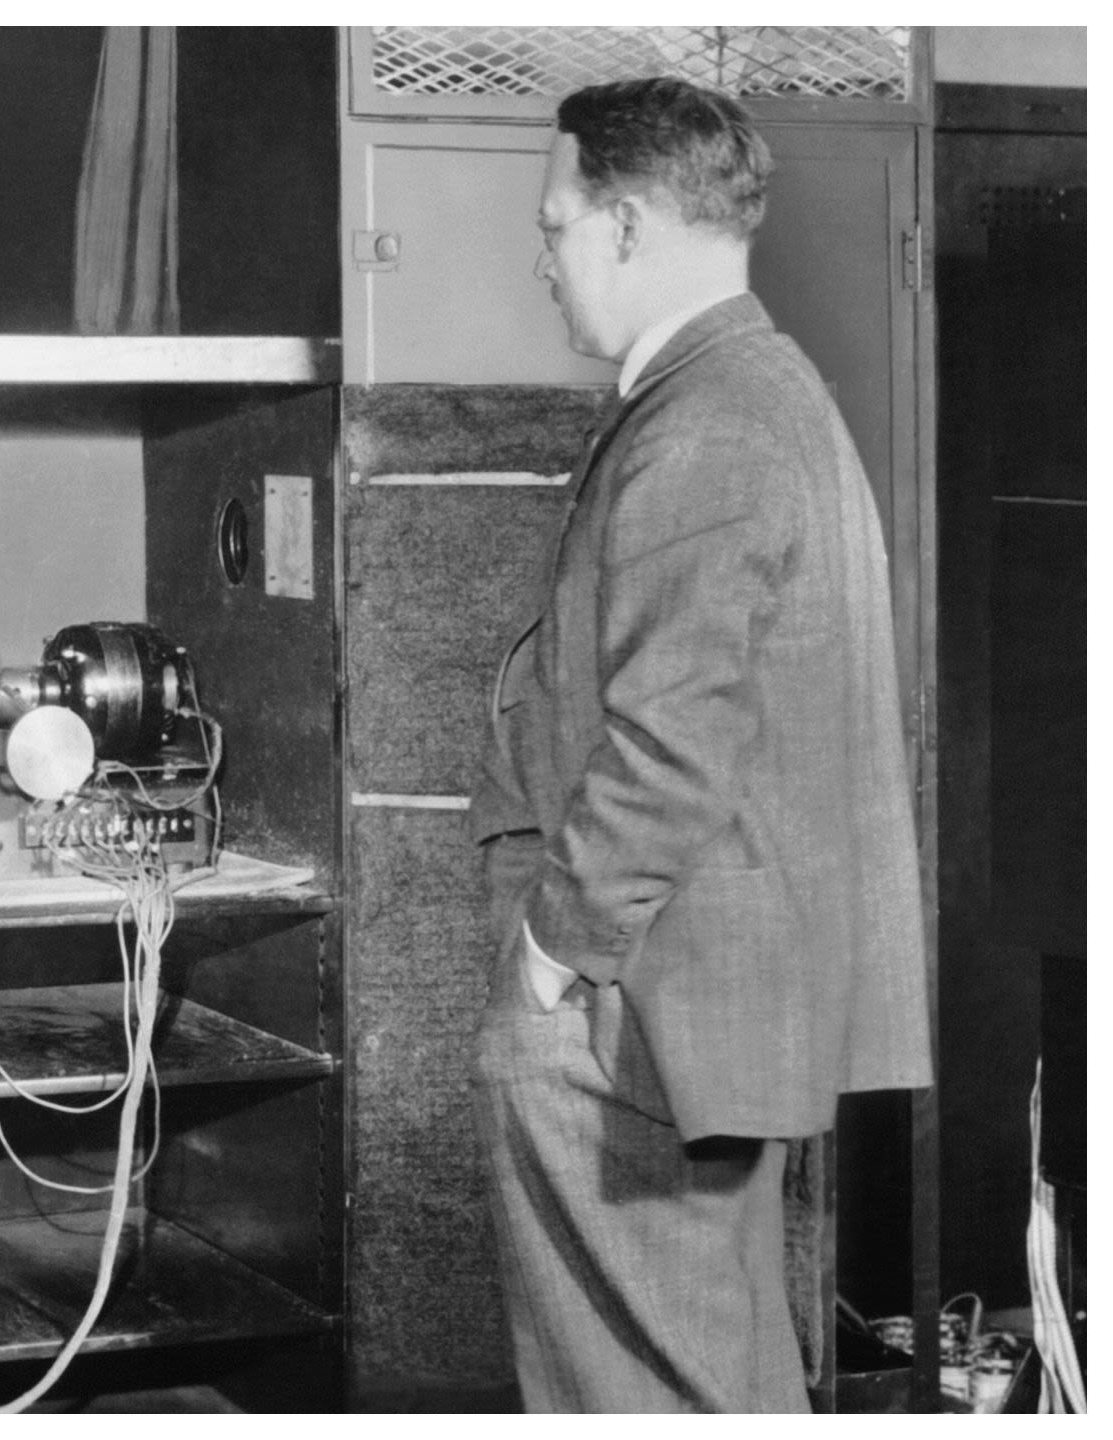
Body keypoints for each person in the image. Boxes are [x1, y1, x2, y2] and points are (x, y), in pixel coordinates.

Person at [467, 77, 931, 1412]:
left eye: (556, 224)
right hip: (694, 1002)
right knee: (706, 1369)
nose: (542, 254)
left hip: (636, 1011)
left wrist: (552, 959)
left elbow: (670, 749)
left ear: (623, 228)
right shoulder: (750, 393)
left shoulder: (710, 421)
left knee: (643, 1388)